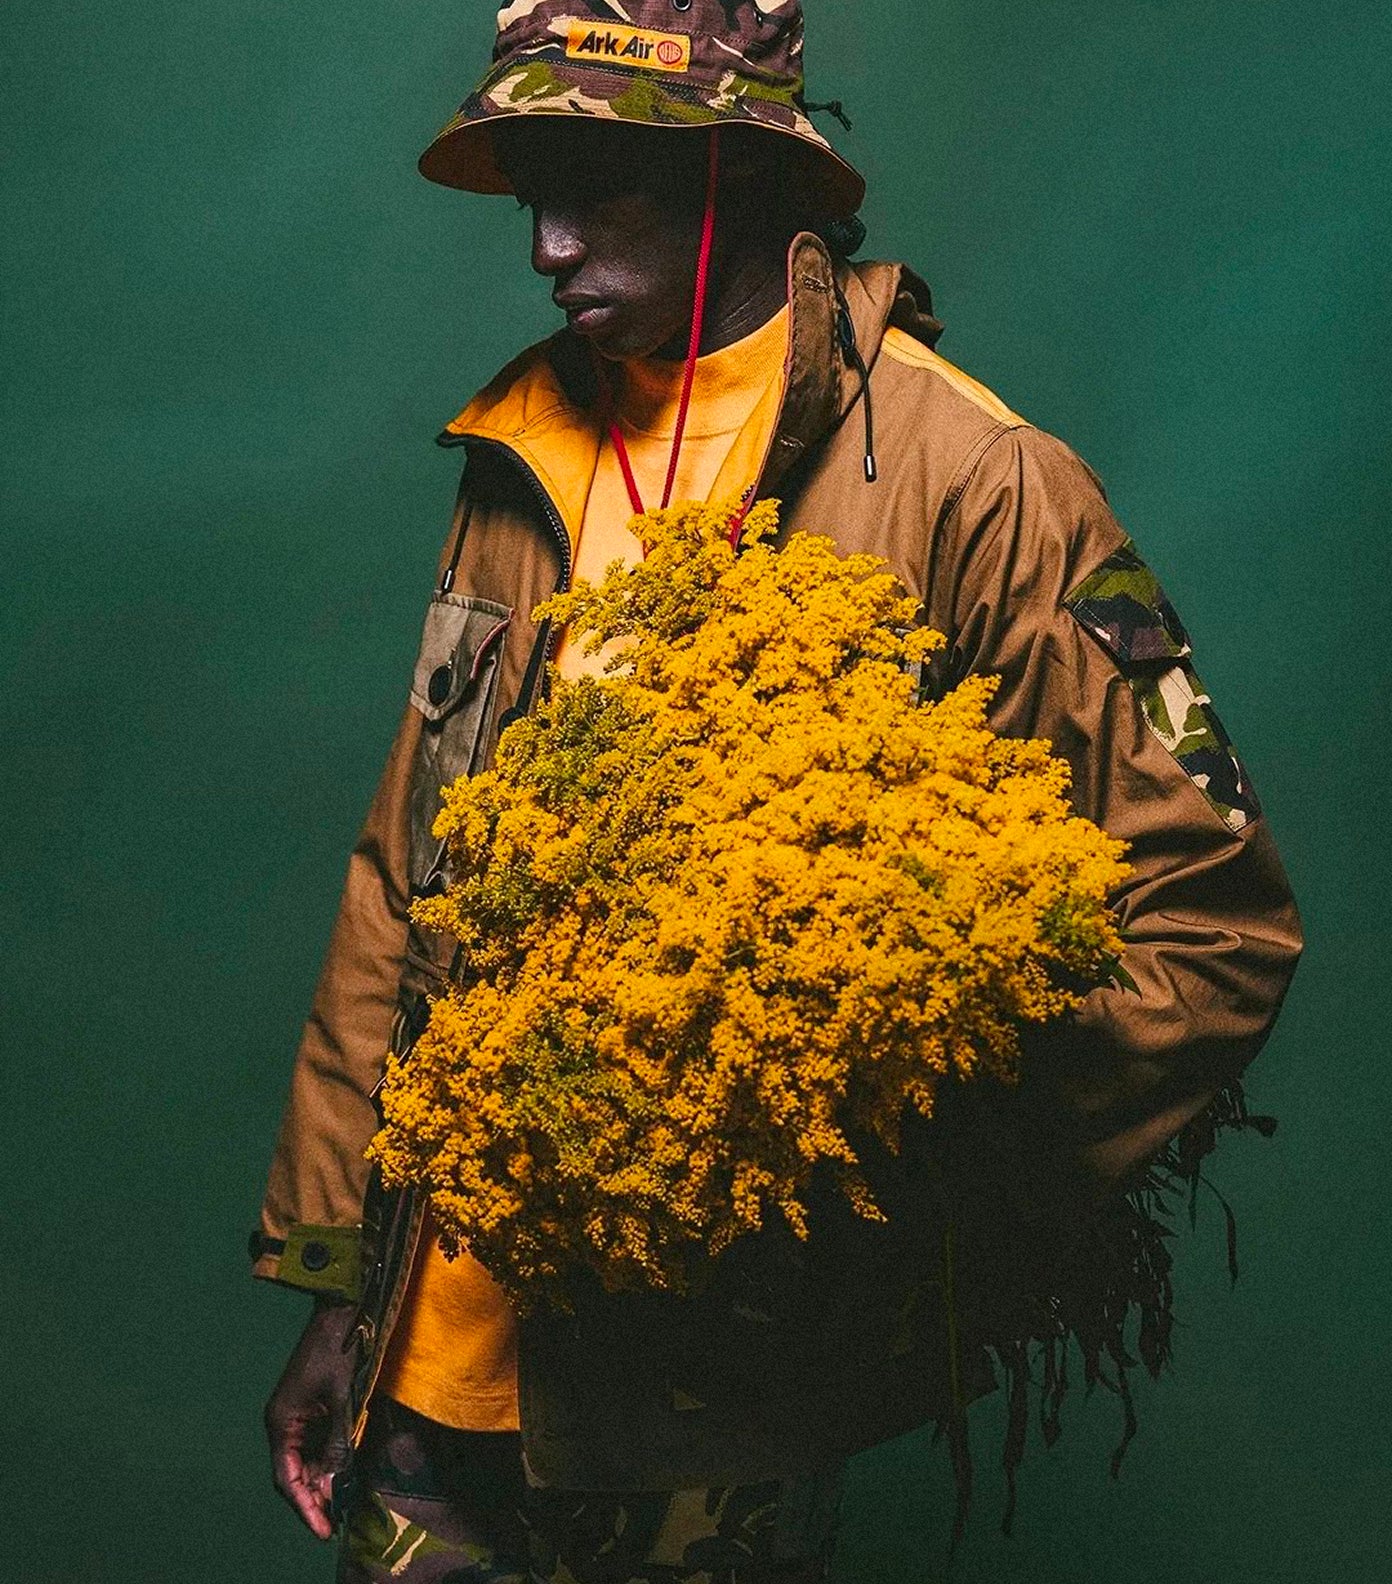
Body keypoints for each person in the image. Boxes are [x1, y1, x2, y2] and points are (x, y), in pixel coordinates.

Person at [252, 4, 1303, 1579]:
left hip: (708, 1396)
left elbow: (1213, 930)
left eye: (595, 187)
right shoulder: (522, 449)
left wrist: (863, 1166)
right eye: (531, 186)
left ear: (745, 180)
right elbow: (408, 877)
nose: (542, 246)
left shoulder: (979, 482)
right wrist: (346, 1285)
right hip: (430, 1372)